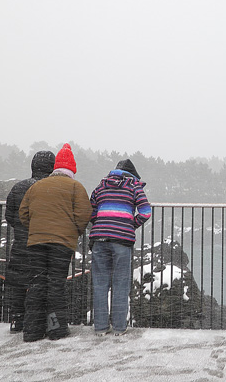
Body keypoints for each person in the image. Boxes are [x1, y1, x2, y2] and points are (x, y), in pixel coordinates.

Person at [19, 143, 92, 342]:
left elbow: (23, 214)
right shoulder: (76, 187)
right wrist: (74, 231)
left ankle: (32, 331)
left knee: (36, 283)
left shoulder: (36, 186)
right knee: (55, 285)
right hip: (61, 244)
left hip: (36, 243)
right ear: (72, 170)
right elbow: (84, 214)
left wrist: (35, 229)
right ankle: (55, 329)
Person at [89, 159, 152, 336]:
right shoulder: (133, 186)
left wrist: (101, 224)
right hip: (122, 240)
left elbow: (91, 210)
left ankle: (100, 328)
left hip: (99, 239)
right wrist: (131, 225)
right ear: (133, 174)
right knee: (120, 284)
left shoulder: (101, 186)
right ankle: (118, 328)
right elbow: (146, 211)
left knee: (100, 284)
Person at [4, 150, 55, 333]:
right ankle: (40, 320)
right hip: (44, 243)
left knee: (18, 281)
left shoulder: (19, 187)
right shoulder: (52, 188)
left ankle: (17, 319)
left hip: (21, 242)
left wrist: (22, 227)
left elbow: (9, 215)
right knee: (41, 282)